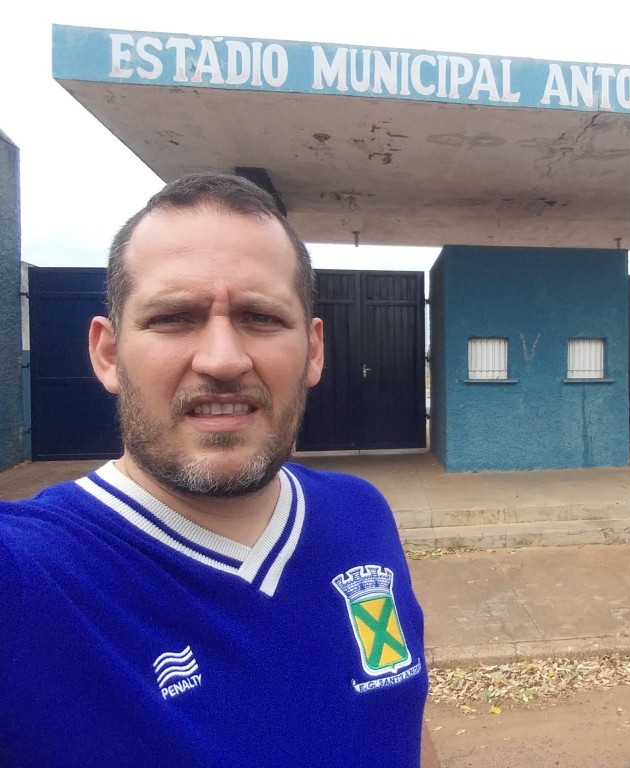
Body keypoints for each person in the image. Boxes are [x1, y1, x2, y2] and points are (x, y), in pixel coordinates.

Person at [0, 173, 439, 767]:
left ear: (313, 351)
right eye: (175, 318)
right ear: (107, 353)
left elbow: (399, 719)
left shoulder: (361, 514)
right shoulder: (31, 575)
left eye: (260, 317)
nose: (223, 359)